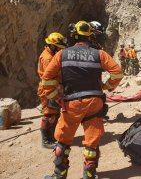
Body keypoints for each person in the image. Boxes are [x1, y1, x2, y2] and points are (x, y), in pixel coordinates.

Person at [42, 21, 123, 179]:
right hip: (94, 102)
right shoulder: (99, 54)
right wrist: (107, 86)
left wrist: (55, 97)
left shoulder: (61, 54)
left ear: (73, 36)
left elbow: (46, 79)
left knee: (63, 141)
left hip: (71, 102)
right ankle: (89, 175)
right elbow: (118, 73)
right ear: (90, 36)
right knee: (92, 141)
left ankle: (59, 175)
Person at [37, 32, 67, 149]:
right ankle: (46, 140)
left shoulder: (51, 55)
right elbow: (49, 77)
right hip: (48, 89)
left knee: (54, 113)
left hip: (53, 87)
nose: (60, 50)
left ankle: (52, 137)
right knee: (49, 114)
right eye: (59, 48)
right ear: (53, 46)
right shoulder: (47, 58)